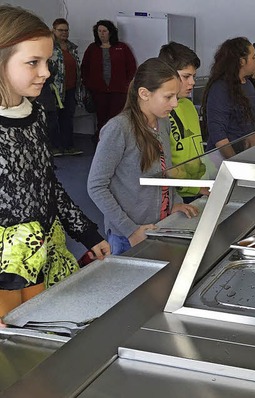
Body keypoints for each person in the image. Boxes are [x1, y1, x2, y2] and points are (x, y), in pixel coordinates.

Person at [0, 5, 110, 320]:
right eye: (33, 62)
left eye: (47, 61)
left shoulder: (36, 115)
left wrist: (88, 233)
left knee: (38, 337)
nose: (46, 72)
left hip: (40, 256)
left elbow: (47, 184)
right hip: (3, 270)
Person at [87, 58, 198, 256]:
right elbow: (96, 186)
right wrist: (130, 230)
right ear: (144, 94)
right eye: (168, 97)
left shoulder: (162, 122)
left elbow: (165, 170)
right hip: (128, 236)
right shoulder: (119, 128)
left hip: (158, 226)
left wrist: (174, 202)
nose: (174, 103)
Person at [158, 42, 209, 203]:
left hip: (199, 187)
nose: (192, 82)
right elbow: (164, 165)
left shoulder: (188, 105)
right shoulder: (160, 112)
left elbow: (197, 149)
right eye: (186, 76)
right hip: (174, 195)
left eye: (193, 76)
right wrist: (193, 188)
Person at [202, 37, 255, 159]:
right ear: (241, 61)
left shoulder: (248, 84)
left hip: (247, 154)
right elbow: (219, 136)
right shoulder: (220, 88)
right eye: (253, 57)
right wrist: (235, 163)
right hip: (225, 162)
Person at [81, 20, 136, 143]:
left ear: (110, 32)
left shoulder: (122, 47)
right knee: (101, 117)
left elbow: (131, 67)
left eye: (104, 31)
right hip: (98, 90)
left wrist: (127, 84)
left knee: (116, 116)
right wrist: (88, 83)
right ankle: (102, 141)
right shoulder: (92, 48)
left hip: (118, 90)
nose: (102, 34)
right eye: (99, 31)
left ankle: (115, 141)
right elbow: (84, 67)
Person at [50, 18, 83, 156]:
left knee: (67, 118)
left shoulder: (72, 48)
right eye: (60, 30)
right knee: (53, 119)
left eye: (66, 30)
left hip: (70, 89)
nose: (64, 33)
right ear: (54, 30)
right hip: (55, 90)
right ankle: (54, 147)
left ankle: (68, 146)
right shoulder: (50, 47)